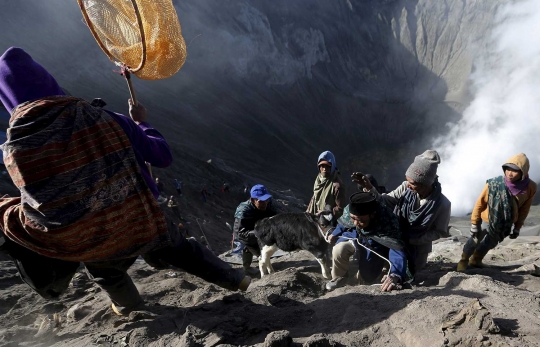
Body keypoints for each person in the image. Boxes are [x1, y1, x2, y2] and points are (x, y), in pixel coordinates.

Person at [0, 47, 249, 316]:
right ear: (48, 82)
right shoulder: (106, 118)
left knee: (105, 271)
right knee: (179, 248)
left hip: (90, 236)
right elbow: (161, 156)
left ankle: (129, 307)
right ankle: (236, 280)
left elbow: (40, 202)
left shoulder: (15, 150)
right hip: (139, 216)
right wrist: (141, 124)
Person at [353, 150, 451, 278]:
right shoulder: (406, 188)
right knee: (384, 268)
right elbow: (385, 201)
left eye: (413, 183)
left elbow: (440, 231)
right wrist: (370, 188)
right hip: (395, 240)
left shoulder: (442, 204)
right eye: (407, 181)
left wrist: (414, 239)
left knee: (410, 277)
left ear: (425, 183)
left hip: (418, 249)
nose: (408, 185)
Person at [457, 153, 537, 271]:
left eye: (514, 170)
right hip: (486, 219)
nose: (509, 173)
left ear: (523, 172)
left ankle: (476, 260)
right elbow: (480, 203)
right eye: (507, 169)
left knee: (491, 243)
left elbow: (525, 208)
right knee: (475, 239)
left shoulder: (530, 187)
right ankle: (463, 260)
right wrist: (475, 223)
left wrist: (517, 227)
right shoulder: (494, 184)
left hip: (505, 223)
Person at [326, 192, 407, 292]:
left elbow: (396, 248)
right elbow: (345, 222)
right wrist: (335, 233)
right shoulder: (351, 209)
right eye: (353, 219)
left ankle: (362, 279)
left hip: (374, 244)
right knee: (339, 249)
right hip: (354, 235)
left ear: (372, 215)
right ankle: (338, 279)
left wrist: (395, 274)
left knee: (368, 276)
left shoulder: (388, 222)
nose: (356, 223)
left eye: (361, 220)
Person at [233, 184, 278, 273]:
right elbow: (240, 234)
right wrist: (261, 233)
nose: (265, 203)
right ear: (253, 200)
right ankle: (247, 268)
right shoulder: (243, 211)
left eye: (266, 200)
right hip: (248, 233)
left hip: (262, 228)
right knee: (261, 254)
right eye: (261, 201)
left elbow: (276, 217)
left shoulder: (268, 204)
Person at [306, 151, 346, 223]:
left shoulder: (337, 185)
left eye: (328, 166)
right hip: (315, 217)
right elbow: (315, 197)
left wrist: (327, 212)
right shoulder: (319, 179)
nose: (324, 169)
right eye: (322, 166)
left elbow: (340, 209)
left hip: (328, 222)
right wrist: (307, 212)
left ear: (332, 166)